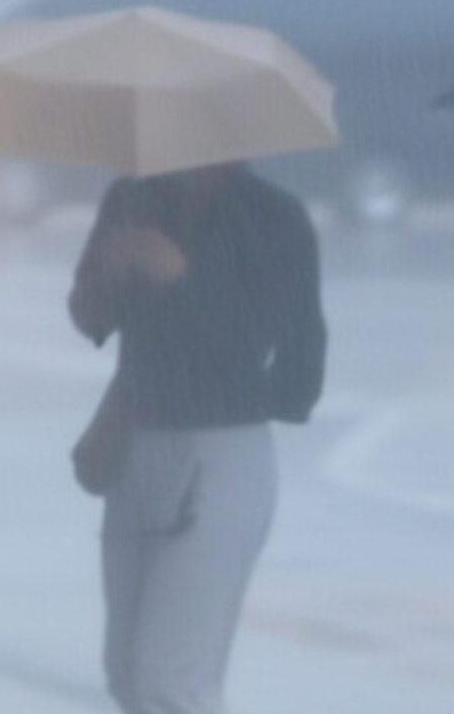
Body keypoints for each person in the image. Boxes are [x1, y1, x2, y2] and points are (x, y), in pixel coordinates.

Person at [69, 162, 326, 714]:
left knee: (173, 679)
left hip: (222, 454)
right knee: (127, 673)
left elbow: (298, 374)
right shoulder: (131, 198)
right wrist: (110, 270)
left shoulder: (271, 216)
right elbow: (89, 316)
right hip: (135, 447)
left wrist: (182, 282)